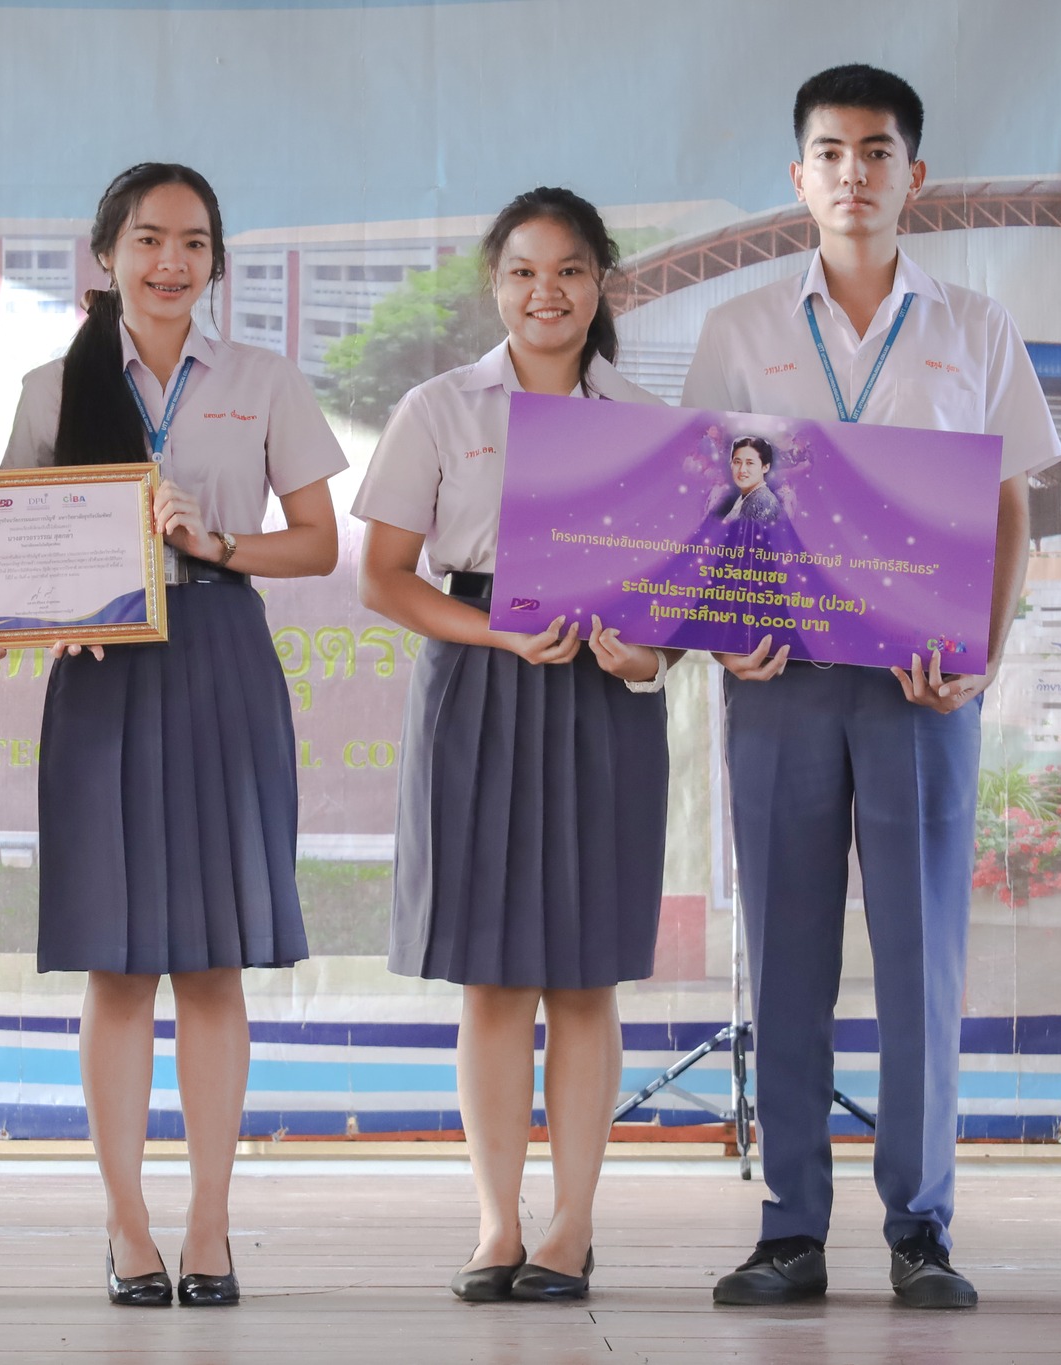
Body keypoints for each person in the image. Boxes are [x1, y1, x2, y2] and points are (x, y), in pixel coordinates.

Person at [681, 64, 1061, 1310]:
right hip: (779, 682)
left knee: (919, 961)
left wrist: (977, 654)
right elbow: (699, 506)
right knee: (783, 954)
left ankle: (920, 1228)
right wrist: (719, 635)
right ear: (798, 178)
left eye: (877, 150)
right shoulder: (738, 329)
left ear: (914, 176)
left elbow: (1005, 509)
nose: (854, 172)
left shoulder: (973, 328)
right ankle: (788, 1225)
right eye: (830, 152)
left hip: (917, 691)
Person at [0, 162, 346, 1308]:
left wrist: (216, 542)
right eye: (147, 239)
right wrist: (36, 612)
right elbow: (10, 543)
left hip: (218, 660)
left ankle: (208, 1225)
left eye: (192, 242)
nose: (169, 262)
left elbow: (316, 544)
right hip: (101, 678)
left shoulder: (261, 381)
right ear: (106, 254)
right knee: (116, 960)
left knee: (210, 961)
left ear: (214, 261)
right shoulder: (52, 389)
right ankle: (125, 1226)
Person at [353, 187, 678, 1304]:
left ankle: (571, 1226)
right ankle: (497, 1225)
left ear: (601, 285)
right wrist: (494, 628)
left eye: (571, 270)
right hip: (480, 687)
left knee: (584, 978)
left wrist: (639, 658)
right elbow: (383, 578)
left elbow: (666, 620)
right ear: (494, 285)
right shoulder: (440, 407)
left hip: (600, 698)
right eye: (523, 272)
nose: (547, 292)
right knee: (491, 981)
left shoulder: (647, 419)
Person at [721, 436, 782, 524]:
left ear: (765, 467)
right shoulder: (747, 496)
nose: (742, 470)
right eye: (737, 462)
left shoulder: (762, 502)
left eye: (750, 463)